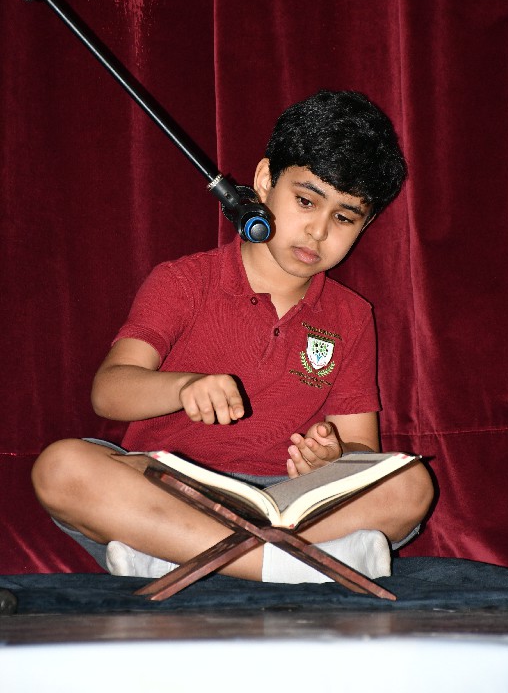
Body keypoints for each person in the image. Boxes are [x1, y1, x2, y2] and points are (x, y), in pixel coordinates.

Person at [32, 90, 434, 584]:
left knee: (410, 484)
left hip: (286, 503)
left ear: (364, 224)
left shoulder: (352, 315)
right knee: (62, 467)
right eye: (305, 201)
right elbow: (109, 390)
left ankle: (181, 559)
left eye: (344, 217)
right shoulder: (183, 281)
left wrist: (331, 454)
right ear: (264, 181)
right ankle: (284, 565)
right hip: (173, 491)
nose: (317, 231)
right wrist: (183, 387)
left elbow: (360, 449)